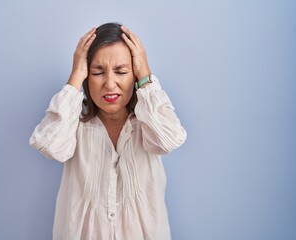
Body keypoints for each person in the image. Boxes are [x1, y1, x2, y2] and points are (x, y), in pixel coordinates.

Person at [29, 22, 187, 240]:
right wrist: (75, 77)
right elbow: (50, 146)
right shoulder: (74, 123)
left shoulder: (148, 122)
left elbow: (169, 140)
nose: (110, 84)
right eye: (98, 72)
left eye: (121, 71)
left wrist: (145, 76)